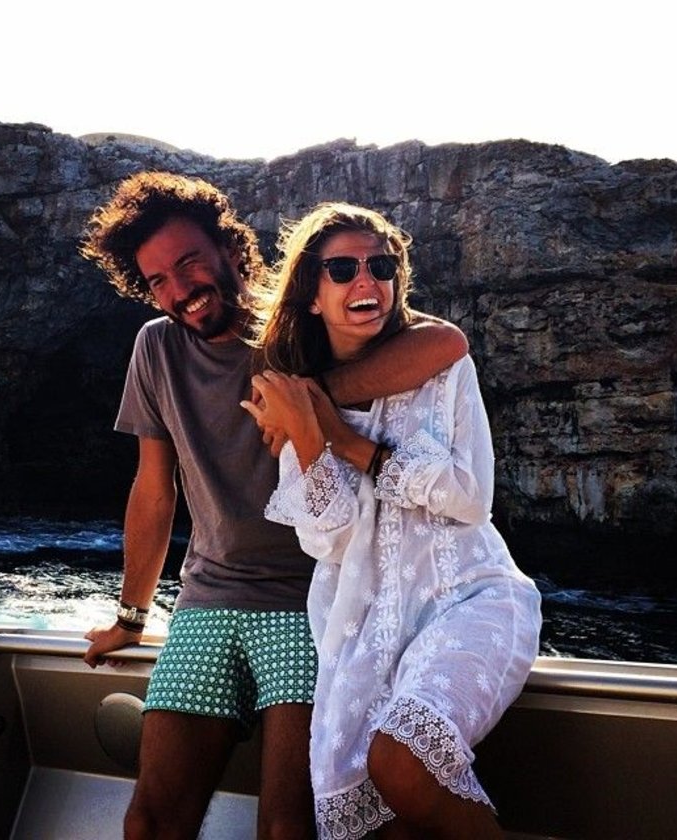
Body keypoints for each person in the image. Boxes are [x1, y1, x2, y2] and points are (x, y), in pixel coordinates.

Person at [79, 172, 468, 840]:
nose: (179, 290)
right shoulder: (155, 348)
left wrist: (307, 395)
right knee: (148, 823)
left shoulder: (301, 325)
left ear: (232, 249)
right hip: (207, 602)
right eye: (157, 280)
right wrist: (131, 618)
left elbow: (444, 343)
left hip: (313, 604)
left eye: (189, 263)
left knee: (289, 829)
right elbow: (153, 490)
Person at [242, 202, 542, 840]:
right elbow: (329, 538)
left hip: (472, 597)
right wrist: (310, 438)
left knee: (402, 762)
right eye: (342, 269)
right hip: (364, 633)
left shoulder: (443, 368)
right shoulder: (294, 394)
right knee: (378, 824)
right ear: (311, 293)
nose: (366, 280)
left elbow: (470, 497)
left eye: (380, 267)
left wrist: (341, 438)